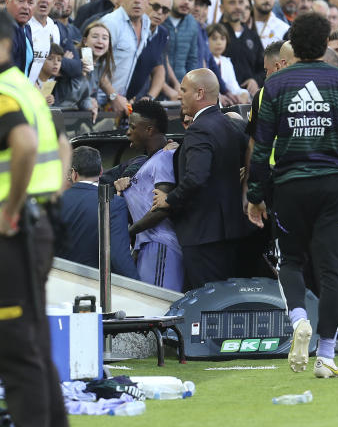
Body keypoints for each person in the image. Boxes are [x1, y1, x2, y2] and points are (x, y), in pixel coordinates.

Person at [248, 12, 338, 379]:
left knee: (290, 261)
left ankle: (299, 320)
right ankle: (324, 355)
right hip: (332, 186)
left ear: (293, 42)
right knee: (331, 270)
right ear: (325, 43)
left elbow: (261, 148)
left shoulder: (274, 86)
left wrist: (255, 195)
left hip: (289, 185)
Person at [0, 7, 71, 427]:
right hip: (33, 226)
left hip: (9, 234)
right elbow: (63, 145)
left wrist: (10, 209)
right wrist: (48, 198)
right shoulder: (24, 87)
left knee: (14, 352)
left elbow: (25, 144)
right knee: (34, 348)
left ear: (4, 46)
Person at [151, 68, 250, 290]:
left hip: (203, 235)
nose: (178, 95)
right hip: (229, 231)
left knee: (207, 303)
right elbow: (249, 155)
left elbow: (196, 177)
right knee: (224, 301)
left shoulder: (200, 129)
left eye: (183, 90)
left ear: (199, 93)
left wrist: (170, 199)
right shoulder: (227, 124)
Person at [113, 100, 183, 290]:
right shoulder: (149, 161)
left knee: (158, 312)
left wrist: (129, 232)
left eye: (133, 127)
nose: (128, 131)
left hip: (161, 245)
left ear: (149, 130)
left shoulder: (165, 158)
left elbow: (162, 208)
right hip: (148, 245)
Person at [57, 145, 139, 278]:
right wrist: (138, 287)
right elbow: (119, 256)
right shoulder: (114, 204)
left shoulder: (57, 202)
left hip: (61, 280)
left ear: (73, 173)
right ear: (101, 171)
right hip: (97, 285)